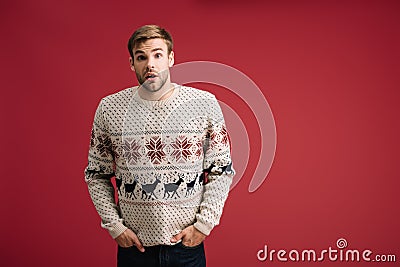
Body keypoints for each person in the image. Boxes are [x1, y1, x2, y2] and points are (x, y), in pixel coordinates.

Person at [84, 24, 235, 267]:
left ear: (171, 58)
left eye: (157, 55)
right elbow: (96, 174)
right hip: (135, 250)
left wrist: (204, 225)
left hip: (186, 249)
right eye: (141, 57)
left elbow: (221, 168)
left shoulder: (204, 103)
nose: (150, 64)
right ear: (132, 63)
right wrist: (115, 227)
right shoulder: (109, 108)